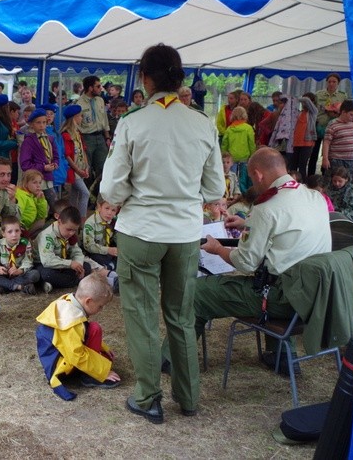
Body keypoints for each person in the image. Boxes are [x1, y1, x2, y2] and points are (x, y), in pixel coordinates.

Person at [100, 43, 225, 423]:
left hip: (141, 230)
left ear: (145, 78)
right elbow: (215, 188)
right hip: (185, 232)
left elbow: (112, 190)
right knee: (181, 315)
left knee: (141, 314)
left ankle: (148, 396)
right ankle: (188, 398)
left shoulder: (133, 122)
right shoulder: (202, 123)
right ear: (181, 78)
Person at [188, 147, 331, 375]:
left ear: (258, 174)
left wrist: (217, 249)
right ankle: (283, 357)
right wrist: (247, 225)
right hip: (314, 295)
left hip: (283, 299)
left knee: (197, 291)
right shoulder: (314, 197)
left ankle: (173, 360)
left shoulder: (266, 207)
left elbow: (245, 263)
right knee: (276, 273)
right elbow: (289, 233)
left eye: (253, 178)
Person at [35, 273, 120, 400]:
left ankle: (91, 368)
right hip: (61, 364)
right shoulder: (71, 320)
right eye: (100, 306)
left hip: (64, 353)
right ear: (89, 301)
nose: (101, 309)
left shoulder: (69, 300)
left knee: (94, 329)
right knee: (95, 330)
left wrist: (104, 348)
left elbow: (83, 332)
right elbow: (76, 355)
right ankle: (88, 376)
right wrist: (102, 372)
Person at [34, 205, 93, 291]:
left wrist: (78, 265)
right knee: (47, 274)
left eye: (74, 230)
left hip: (62, 263)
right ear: (59, 221)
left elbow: (76, 252)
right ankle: (76, 281)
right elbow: (47, 261)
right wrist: (70, 264)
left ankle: (52, 284)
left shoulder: (70, 234)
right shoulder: (47, 236)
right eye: (68, 229)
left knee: (86, 267)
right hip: (43, 265)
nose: (71, 233)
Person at [0, 216, 40, 294]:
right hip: (4, 275)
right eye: (10, 232)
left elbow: (28, 262)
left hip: (19, 274)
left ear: (20, 231)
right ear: (3, 233)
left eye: (17, 231)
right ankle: (19, 287)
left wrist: (20, 270)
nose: (14, 235)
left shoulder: (25, 243)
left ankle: (5, 286)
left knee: (35, 274)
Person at [19, 108, 59, 207]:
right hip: (34, 180)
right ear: (32, 124)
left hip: (48, 178)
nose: (42, 125)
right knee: (38, 205)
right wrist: (43, 167)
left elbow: (56, 155)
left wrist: (55, 163)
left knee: (53, 203)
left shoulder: (50, 138)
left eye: (44, 122)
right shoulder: (28, 141)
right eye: (38, 122)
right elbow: (25, 164)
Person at [311, 73, 347, 175]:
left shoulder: (343, 95)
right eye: (329, 81)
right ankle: (311, 176)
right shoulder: (319, 94)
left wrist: (336, 111)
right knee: (314, 152)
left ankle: (325, 174)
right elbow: (313, 109)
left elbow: (344, 110)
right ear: (327, 82)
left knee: (329, 152)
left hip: (334, 128)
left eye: (334, 82)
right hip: (319, 126)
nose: (331, 84)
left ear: (338, 83)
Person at [76, 76, 110, 183]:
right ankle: (89, 196)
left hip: (100, 137)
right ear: (90, 88)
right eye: (98, 86)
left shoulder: (100, 100)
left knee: (103, 166)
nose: (101, 88)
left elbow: (105, 120)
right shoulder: (79, 103)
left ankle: (100, 194)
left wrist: (107, 137)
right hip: (87, 138)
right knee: (87, 168)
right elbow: (76, 124)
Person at [60, 105, 90, 219]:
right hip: (73, 170)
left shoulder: (77, 133)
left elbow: (83, 149)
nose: (81, 118)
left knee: (75, 194)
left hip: (81, 168)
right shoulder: (66, 134)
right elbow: (67, 155)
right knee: (85, 193)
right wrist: (78, 170)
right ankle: (81, 220)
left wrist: (86, 167)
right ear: (74, 117)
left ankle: (71, 218)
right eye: (80, 116)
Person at [322, 100, 353, 185]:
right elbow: (326, 142)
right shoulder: (333, 124)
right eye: (351, 115)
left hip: (351, 160)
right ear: (343, 112)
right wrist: (325, 159)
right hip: (337, 160)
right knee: (334, 184)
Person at [221, 106, 255, 191]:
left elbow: (225, 143)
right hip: (245, 157)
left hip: (232, 157)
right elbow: (251, 143)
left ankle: (231, 193)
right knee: (243, 178)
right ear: (245, 115)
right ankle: (242, 193)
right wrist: (252, 155)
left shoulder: (229, 129)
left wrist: (223, 155)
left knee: (231, 176)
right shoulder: (248, 128)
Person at [83, 196, 118, 270]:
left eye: (113, 210)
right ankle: (110, 267)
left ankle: (111, 267)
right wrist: (108, 250)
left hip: (108, 249)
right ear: (99, 207)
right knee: (102, 261)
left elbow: (117, 237)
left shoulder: (114, 221)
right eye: (107, 208)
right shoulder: (90, 224)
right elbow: (89, 246)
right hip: (94, 252)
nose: (109, 213)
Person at [290, 93, 318, 179]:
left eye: (307, 101)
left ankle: (302, 184)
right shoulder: (299, 113)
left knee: (302, 166)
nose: (304, 103)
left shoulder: (313, 112)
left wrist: (294, 98)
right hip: (296, 142)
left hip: (307, 143)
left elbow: (306, 100)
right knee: (293, 165)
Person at [15, 169, 48, 238]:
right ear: (26, 184)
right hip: (21, 229)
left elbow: (42, 215)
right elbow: (17, 216)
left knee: (44, 222)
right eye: (34, 182)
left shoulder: (32, 195)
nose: (38, 186)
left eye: (40, 182)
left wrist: (41, 200)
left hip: (28, 226)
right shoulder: (21, 195)